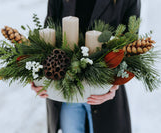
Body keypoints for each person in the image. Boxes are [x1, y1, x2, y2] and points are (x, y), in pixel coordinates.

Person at [31, 0, 141, 133]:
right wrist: (39, 74)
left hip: (102, 92)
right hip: (65, 92)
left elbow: (131, 46)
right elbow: (47, 36)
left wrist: (114, 86)